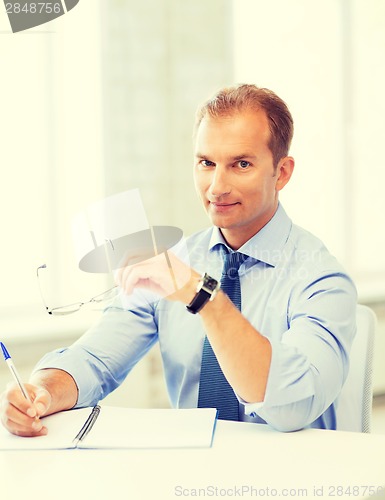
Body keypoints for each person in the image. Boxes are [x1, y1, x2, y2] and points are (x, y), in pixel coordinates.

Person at [0, 84, 356, 436]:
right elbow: (95, 361)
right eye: (206, 163)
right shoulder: (174, 266)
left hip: (290, 482)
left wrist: (202, 295)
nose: (216, 186)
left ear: (282, 172)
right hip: (190, 476)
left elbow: (293, 404)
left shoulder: (321, 278)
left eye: (241, 164)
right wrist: (44, 391)